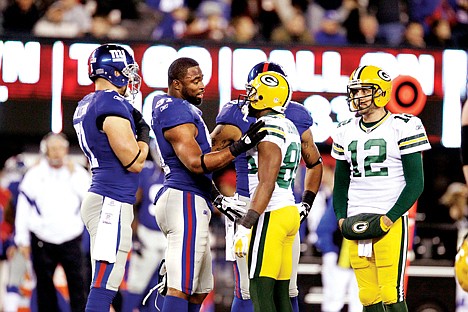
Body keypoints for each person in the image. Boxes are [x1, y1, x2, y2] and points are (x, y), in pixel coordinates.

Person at [151, 57, 266, 312]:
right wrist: (239, 147)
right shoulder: (174, 110)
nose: (202, 85)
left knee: (199, 289)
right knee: (180, 285)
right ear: (177, 84)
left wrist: (215, 197)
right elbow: (194, 163)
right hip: (184, 199)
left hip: (192, 196)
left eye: (202, 78)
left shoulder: (180, 108)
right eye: (195, 81)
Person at [210, 61, 323, 312]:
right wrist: (304, 205)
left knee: (255, 289)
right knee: (282, 289)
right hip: (281, 207)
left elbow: (208, 158)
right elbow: (315, 163)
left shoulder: (246, 116)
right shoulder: (293, 120)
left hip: (256, 206)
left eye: (254, 90)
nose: (248, 96)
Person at [331, 64, 431, 312]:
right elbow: (340, 182)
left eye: (364, 90)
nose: (358, 97)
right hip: (356, 216)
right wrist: (341, 217)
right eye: (355, 91)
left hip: (389, 216)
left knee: (391, 292)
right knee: (367, 295)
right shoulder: (345, 129)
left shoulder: (403, 125)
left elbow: (416, 182)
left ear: (382, 92)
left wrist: (391, 217)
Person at [72, 43, 150, 311]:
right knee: (104, 287)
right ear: (113, 71)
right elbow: (133, 162)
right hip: (111, 202)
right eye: (126, 71)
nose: (130, 77)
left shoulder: (87, 103)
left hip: (105, 196)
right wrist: (144, 135)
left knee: (105, 283)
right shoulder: (109, 101)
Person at [227, 70, 301, 312]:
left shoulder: (267, 127)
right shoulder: (288, 125)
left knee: (259, 292)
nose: (249, 97)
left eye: (254, 92)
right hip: (287, 209)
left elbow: (267, 182)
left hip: (270, 212)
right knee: (281, 297)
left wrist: (247, 224)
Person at [14, 132, 90, 312]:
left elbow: (90, 204)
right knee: (44, 288)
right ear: (45, 150)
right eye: (53, 148)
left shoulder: (78, 174)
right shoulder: (34, 175)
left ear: (66, 150)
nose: (57, 153)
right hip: (42, 238)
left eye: (60, 148)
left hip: (71, 237)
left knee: (78, 286)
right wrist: (21, 239)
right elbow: (23, 208)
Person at [121, 145, 166, 312]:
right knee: (136, 285)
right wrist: (134, 233)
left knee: (162, 287)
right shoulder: (147, 171)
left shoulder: (180, 173)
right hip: (147, 235)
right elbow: (133, 202)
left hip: (170, 238)